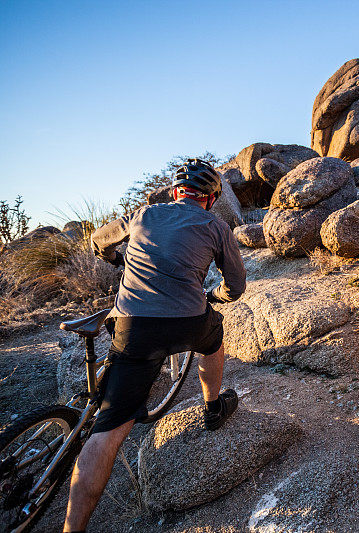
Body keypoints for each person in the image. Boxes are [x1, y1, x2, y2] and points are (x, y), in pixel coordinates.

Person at [63, 159, 247, 533]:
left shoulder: (143, 214)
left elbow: (99, 239)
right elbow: (236, 286)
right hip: (187, 321)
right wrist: (214, 294)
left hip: (135, 328)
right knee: (213, 338)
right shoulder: (217, 226)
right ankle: (213, 408)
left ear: (175, 191)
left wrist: (116, 258)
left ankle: (72, 528)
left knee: (109, 427)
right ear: (211, 199)